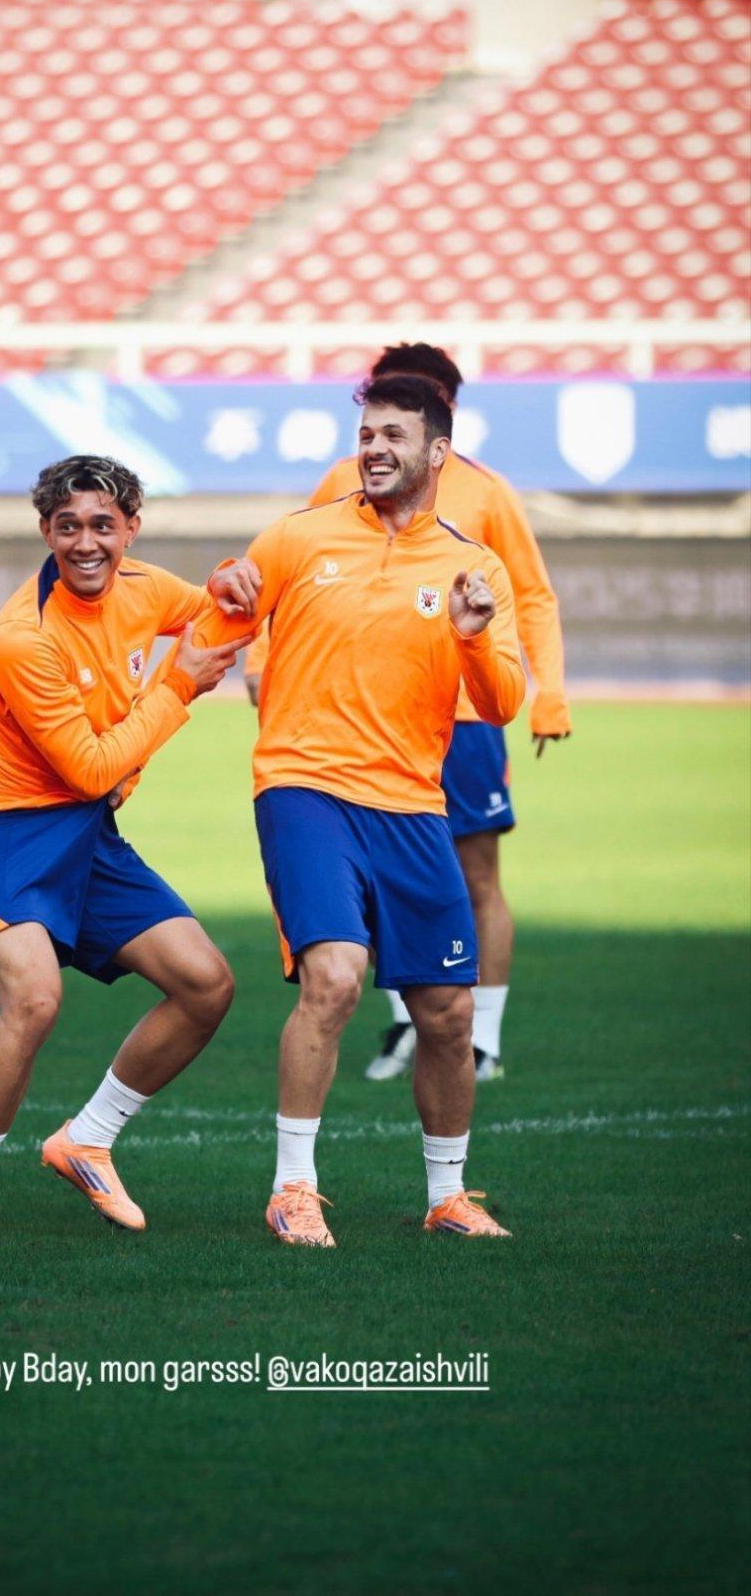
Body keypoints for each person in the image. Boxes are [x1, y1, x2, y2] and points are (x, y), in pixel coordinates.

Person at [197, 373, 526, 1244]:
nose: (375, 449)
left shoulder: (474, 566)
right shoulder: (299, 535)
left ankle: (448, 1196)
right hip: (304, 787)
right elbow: (221, 616)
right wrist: (224, 583)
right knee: (336, 975)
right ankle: (292, 1189)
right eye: (367, 435)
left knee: (447, 1013)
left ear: (438, 451)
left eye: (393, 436)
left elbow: (502, 701)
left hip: (413, 806)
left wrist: (472, 636)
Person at [0, 454, 254, 1252]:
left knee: (206, 985)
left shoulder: (144, 585)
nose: (86, 542)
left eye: (103, 524)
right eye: (67, 525)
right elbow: (93, 768)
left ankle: (87, 1138)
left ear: (131, 527)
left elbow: (220, 610)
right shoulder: (22, 638)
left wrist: (230, 580)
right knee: (34, 999)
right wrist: (180, 685)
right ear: (45, 531)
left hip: (83, 832)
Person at [245, 341, 570, 1084]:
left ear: (443, 417)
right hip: (351, 727)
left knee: (475, 875)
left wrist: (548, 690)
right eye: (374, 421)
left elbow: (531, 594)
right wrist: (260, 660)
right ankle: (400, 1024)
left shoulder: (488, 493)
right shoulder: (343, 482)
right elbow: (283, 580)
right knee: (359, 887)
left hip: (464, 715)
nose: (381, 440)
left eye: (410, 412)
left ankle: (482, 1039)